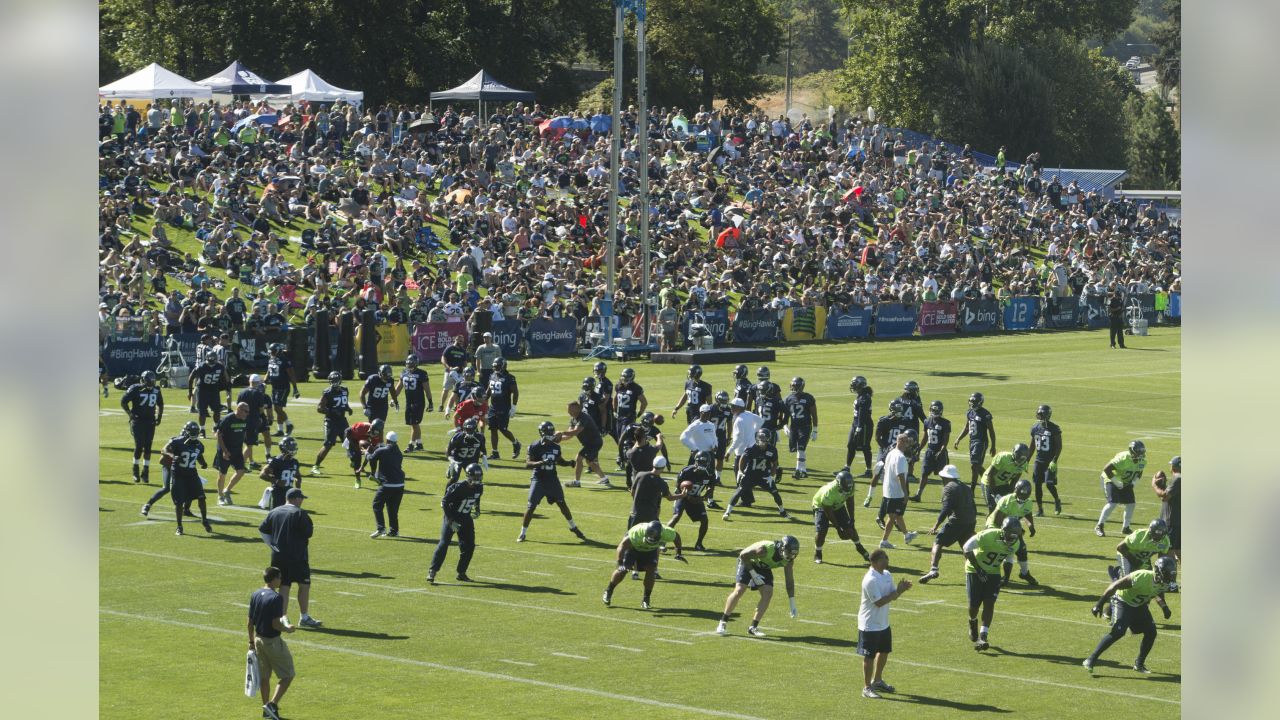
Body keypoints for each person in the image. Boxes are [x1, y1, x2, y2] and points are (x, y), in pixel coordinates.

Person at [1084, 556, 1176, 674]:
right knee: (1118, 632)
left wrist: (1164, 607)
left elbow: (1157, 591)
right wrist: (1099, 604)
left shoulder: (1164, 582)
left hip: (1139, 605)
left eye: (1171, 574)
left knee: (1151, 632)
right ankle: (1091, 659)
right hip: (1122, 601)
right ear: (1158, 572)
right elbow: (1115, 585)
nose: (1170, 577)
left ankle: (1139, 664)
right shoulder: (1141, 576)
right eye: (1167, 574)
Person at [257, 488, 321, 627]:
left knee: (284, 586)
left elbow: (262, 529)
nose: (302, 500)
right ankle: (304, 617)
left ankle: (283, 617)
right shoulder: (299, 513)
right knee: (304, 585)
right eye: (301, 498)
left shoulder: (274, 511)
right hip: (297, 556)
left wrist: (272, 545)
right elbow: (308, 533)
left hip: (278, 556)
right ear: (295, 498)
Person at [715, 535, 799, 637]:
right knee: (739, 590)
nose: (789, 556)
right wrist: (753, 574)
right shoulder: (765, 550)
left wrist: (792, 602)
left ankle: (753, 627)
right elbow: (743, 555)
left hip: (763, 566)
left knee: (768, 593)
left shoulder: (788, 560)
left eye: (792, 554)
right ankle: (723, 622)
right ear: (782, 548)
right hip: (747, 562)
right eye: (788, 553)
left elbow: (789, 581)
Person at [961, 517, 1023, 651]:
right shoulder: (988, 535)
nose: (1011, 539)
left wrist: (1006, 577)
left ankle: (983, 636)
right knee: (974, 605)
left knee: (989, 603)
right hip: (974, 570)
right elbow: (966, 547)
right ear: (1003, 530)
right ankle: (972, 621)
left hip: (994, 573)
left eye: (1014, 536)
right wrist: (978, 569)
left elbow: (1009, 559)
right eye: (1009, 535)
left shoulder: (1015, 543)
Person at [518, 422, 587, 542]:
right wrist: (541, 463)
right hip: (538, 478)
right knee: (531, 506)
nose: (550, 434)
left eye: (551, 432)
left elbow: (559, 460)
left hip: (552, 479)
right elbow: (527, 464)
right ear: (542, 433)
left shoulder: (556, 447)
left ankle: (573, 527)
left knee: (562, 503)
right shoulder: (534, 446)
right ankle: (522, 533)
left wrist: (569, 463)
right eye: (548, 432)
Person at [857, 548, 912, 699]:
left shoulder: (887, 575)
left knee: (884, 651)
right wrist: (898, 592)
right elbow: (880, 602)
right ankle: (867, 688)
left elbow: (892, 595)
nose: (887, 561)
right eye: (883, 559)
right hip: (869, 624)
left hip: (883, 623)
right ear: (874, 562)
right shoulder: (870, 579)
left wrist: (901, 590)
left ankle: (878, 680)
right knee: (869, 656)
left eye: (886, 558)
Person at [247, 566, 297, 720]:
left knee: (265, 677)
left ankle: (266, 710)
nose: (281, 580)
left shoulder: (255, 594)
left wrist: (251, 641)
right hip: (272, 642)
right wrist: (287, 629)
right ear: (274, 579)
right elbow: (275, 624)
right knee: (288, 675)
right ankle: (272, 704)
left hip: (258, 639)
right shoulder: (276, 598)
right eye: (279, 577)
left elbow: (250, 622)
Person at [603, 520, 686, 610]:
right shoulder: (636, 533)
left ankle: (646, 599)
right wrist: (620, 563)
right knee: (623, 570)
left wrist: (679, 553)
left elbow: (676, 537)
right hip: (633, 548)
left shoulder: (667, 532)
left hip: (651, 550)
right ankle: (609, 591)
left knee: (651, 570)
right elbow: (622, 546)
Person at [918, 465, 977, 584]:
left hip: (957, 521)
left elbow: (946, 508)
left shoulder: (949, 488)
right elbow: (974, 507)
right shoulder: (966, 487)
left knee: (938, 542)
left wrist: (936, 524)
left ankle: (933, 569)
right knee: (967, 548)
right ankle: (975, 572)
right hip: (970, 521)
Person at [428, 463, 485, 583]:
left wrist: (477, 509)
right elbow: (444, 502)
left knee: (469, 546)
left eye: (479, 478)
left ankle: (461, 572)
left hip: (466, 518)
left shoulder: (479, 487)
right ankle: (432, 572)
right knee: (444, 544)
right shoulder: (458, 487)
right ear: (468, 476)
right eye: (474, 478)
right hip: (452, 517)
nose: (477, 480)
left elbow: (477, 497)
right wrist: (450, 521)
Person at [159, 421, 212, 535]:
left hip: (192, 474)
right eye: (192, 432)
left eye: (195, 432)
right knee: (179, 502)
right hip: (178, 474)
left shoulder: (199, 445)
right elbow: (164, 450)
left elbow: (199, 455)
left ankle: (204, 519)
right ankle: (179, 526)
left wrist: (203, 463)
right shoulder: (177, 441)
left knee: (201, 497)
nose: (194, 434)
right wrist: (173, 456)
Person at [985, 479, 1038, 585]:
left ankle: (1024, 573)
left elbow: (1026, 513)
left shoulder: (1028, 502)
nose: (1023, 497)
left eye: (1025, 495)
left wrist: (1030, 525)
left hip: (1011, 526)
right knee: (1005, 549)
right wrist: (1012, 533)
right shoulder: (1006, 500)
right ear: (1016, 491)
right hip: (995, 526)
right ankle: (998, 576)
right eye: (1021, 494)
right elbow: (998, 520)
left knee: (1021, 549)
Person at [812, 469, 871, 564]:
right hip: (821, 506)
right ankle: (818, 552)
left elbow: (850, 501)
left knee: (850, 527)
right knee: (822, 531)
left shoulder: (851, 485)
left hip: (838, 504)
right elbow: (828, 511)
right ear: (839, 484)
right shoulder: (830, 491)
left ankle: (860, 548)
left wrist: (852, 518)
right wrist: (838, 528)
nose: (846, 491)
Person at [864, 399, 912, 509]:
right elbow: (877, 437)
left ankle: (905, 497)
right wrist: (887, 448)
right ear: (891, 409)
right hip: (885, 450)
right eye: (897, 409)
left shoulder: (905, 421)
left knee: (903, 474)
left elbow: (908, 437)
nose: (899, 411)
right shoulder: (884, 421)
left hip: (899, 451)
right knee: (877, 472)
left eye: (900, 409)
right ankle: (869, 496)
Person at [1096, 440, 1147, 537]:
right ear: (1132, 451)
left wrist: (1134, 481)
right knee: (1113, 503)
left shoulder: (1143, 461)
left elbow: (1139, 472)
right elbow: (1107, 469)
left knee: (1131, 504)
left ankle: (1126, 527)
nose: (1140, 456)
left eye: (1142, 453)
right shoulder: (1123, 458)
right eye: (1138, 453)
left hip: (1125, 481)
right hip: (1110, 478)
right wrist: (1115, 481)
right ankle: (1099, 526)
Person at [121, 370, 163, 483]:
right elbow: (123, 401)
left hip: (150, 421)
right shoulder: (136, 389)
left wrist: (159, 417)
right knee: (139, 446)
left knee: (148, 447)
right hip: (138, 421)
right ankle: (135, 470)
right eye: (150, 381)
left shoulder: (156, 390)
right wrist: (130, 414)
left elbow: (160, 403)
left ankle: (145, 472)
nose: (151, 384)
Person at [877, 431, 919, 548]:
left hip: (889, 490)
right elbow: (900, 476)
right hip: (896, 492)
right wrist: (905, 493)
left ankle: (906, 535)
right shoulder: (900, 457)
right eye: (906, 442)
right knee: (892, 517)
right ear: (900, 441)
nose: (907, 445)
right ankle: (884, 541)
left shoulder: (891, 453)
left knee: (898, 515)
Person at [669, 451, 716, 550]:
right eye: (700, 462)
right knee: (676, 516)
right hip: (682, 496)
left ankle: (699, 544)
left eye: (704, 462)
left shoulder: (710, 473)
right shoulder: (686, 471)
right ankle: (661, 541)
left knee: (704, 520)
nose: (702, 464)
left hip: (696, 497)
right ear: (696, 461)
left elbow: (710, 487)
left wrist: (703, 497)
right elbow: (678, 487)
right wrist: (688, 496)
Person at [311, 371, 352, 476]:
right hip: (331, 422)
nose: (335, 383)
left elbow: (344, 403)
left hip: (342, 421)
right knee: (328, 444)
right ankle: (316, 466)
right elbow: (319, 408)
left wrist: (348, 408)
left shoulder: (345, 390)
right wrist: (331, 411)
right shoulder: (327, 392)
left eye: (336, 380)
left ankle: (354, 463)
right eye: (333, 381)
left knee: (350, 442)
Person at [366, 431, 406, 538]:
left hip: (388, 485)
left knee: (377, 505)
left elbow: (371, 458)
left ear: (387, 440)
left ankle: (381, 528)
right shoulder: (398, 452)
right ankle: (394, 531)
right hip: (400, 485)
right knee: (392, 509)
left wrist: (366, 453)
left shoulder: (382, 450)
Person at [952, 392, 996, 490]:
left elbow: (991, 431)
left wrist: (993, 446)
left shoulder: (985, 414)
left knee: (975, 465)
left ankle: (977, 487)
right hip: (972, 441)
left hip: (981, 442)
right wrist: (958, 438)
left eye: (974, 401)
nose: (972, 403)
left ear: (980, 402)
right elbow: (967, 427)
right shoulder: (969, 412)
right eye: (971, 401)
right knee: (976, 466)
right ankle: (988, 482)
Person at [559, 400, 609, 487]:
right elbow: (569, 435)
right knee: (590, 462)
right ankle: (604, 479)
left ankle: (576, 482)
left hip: (594, 443)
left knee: (579, 458)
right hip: (590, 443)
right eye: (568, 410)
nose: (569, 412)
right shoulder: (573, 419)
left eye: (570, 410)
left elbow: (575, 432)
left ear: (577, 409)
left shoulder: (583, 417)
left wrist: (561, 433)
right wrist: (558, 439)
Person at [910, 400, 950, 502]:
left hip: (940, 452)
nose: (933, 411)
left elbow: (945, 441)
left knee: (944, 475)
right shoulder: (927, 421)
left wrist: (941, 451)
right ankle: (918, 494)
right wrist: (918, 449)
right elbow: (925, 438)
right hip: (930, 451)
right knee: (924, 474)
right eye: (932, 409)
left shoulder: (945, 423)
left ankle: (945, 496)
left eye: (935, 410)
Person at [1029, 404, 1064, 516]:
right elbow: (1032, 445)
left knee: (1049, 484)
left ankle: (1057, 500)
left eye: (1041, 414)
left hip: (1049, 461)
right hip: (1039, 461)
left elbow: (1059, 446)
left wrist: (1054, 460)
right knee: (1037, 485)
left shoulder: (1054, 428)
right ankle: (1040, 510)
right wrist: (1027, 460)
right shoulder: (1035, 428)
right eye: (1039, 414)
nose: (1039, 416)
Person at [727, 397, 763, 505]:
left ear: (738, 407)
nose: (731, 408)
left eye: (733, 407)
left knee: (740, 476)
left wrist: (729, 451)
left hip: (742, 452)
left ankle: (746, 500)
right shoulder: (748, 414)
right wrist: (753, 431)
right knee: (745, 476)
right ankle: (748, 499)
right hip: (750, 449)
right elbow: (760, 421)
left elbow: (738, 439)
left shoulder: (739, 420)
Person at [781, 377, 818, 479]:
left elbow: (814, 415)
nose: (793, 388)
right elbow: (785, 415)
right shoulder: (789, 399)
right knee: (795, 449)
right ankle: (804, 470)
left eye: (795, 386)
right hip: (794, 427)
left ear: (801, 387)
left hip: (805, 426)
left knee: (801, 448)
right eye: (792, 386)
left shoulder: (808, 398)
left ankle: (798, 470)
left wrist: (815, 430)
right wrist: (784, 426)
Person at [214, 402, 251, 506]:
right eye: (246, 411)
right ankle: (220, 496)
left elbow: (243, 432)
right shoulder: (228, 419)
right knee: (222, 474)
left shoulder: (245, 420)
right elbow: (218, 435)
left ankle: (227, 490)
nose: (247, 414)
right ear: (239, 409)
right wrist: (225, 451)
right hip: (225, 451)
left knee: (241, 471)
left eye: (248, 411)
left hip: (237, 450)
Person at [396, 354, 433, 452]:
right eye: (408, 362)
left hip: (418, 402)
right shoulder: (403, 372)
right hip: (409, 402)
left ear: (416, 363)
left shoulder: (422, 373)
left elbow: (427, 389)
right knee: (413, 424)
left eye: (411, 363)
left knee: (414, 423)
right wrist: (393, 399)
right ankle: (419, 443)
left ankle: (411, 445)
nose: (409, 364)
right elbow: (399, 387)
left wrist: (430, 402)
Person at [486, 357, 521, 459]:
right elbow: (489, 391)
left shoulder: (510, 378)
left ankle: (515, 443)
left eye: (497, 366)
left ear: (503, 366)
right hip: (493, 407)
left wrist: (513, 407)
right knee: (493, 429)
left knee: (503, 429)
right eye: (495, 366)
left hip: (504, 407)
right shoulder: (492, 375)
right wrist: (483, 401)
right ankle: (495, 452)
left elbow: (515, 392)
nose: (495, 368)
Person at [979, 443, 1031, 513]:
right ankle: (989, 523)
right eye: (1019, 456)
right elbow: (990, 475)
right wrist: (995, 494)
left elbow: (1014, 482)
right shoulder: (1003, 457)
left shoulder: (1024, 465)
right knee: (993, 508)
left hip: (1003, 484)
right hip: (988, 482)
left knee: (1008, 508)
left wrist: (1011, 495)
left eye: (1023, 458)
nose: (1020, 460)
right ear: (1014, 453)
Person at [237, 374, 273, 469]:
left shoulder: (242, 392)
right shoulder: (257, 393)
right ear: (257, 383)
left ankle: (251, 462)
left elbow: (238, 407)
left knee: (248, 443)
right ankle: (241, 465)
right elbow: (261, 410)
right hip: (253, 421)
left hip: (243, 420)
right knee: (250, 444)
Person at [613, 367, 647, 466]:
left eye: (626, 377)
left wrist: (639, 413)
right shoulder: (619, 386)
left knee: (624, 439)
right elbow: (615, 399)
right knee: (620, 437)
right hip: (619, 417)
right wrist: (614, 410)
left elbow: (644, 402)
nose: (624, 379)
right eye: (623, 376)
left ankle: (624, 458)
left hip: (629, 417)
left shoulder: (636, 388)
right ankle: (625, 456)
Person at [265, 343, 299, 437]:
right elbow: (269, 371)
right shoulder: (271, 359)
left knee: (277, 408)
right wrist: (264, 381)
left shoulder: (285, 360)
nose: (271, 353)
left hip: (283, 387)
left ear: (278, 351)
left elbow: (292, 375)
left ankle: (289, 424)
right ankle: (280, 430)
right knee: (277, 409)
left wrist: (295, 388)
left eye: (273, 351)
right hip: (274, 387)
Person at [188, 356, 228, 436]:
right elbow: (191, 377)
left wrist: (225, 386)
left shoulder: (220, 366)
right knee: (202, 411)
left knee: (217, 410)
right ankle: (202, 430)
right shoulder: (201, 366)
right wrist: (190, 392)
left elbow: (225, 378)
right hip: (203, 391)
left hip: (214, 390)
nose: (211, 365)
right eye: (210, 362)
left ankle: (216, 427)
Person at [1150, 456, 1181, 562]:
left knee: (1167, 553)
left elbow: (1165, 496)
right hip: (1180, 521)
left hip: (1171, 522)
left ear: (1173, 466)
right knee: (1178, 551)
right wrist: (1163, 486)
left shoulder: (1177, 478)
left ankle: (1168, 577)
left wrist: (1154, 485)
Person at [259, 436, 301, 510]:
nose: (293, 448)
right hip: (277, 493)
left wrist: (297, 490)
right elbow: (262, 475)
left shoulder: (295, 462)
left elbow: (298, 476)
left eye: (293, 446)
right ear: (283, 447)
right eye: (291, 446)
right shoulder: (276, 460)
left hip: (289, 494)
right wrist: (276, 481)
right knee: (275, 515)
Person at [845, 375, 874, 476]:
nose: (853, 386)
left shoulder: (865, 397)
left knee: (865, 447)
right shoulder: (861, 395)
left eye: (854, 384)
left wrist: (859, 427)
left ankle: (869, 470)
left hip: (864, 424)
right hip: (856, 423)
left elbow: (863, 413)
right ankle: (847, 468)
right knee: (851, 445)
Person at [344, 418, 384, 489]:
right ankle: (358, 479)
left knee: (373, 455)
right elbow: (347, 431)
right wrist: (354, 445)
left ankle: (373, 474)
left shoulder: (377, 435)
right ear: (371, 427)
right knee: (357, 459)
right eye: (373, 432)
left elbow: (371, 450)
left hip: (363, 441)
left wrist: (363, 466)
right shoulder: (361, 427)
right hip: (353, 439)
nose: (374, 434)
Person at [445, 417, 487, 484]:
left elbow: (483, 450)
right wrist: (452, 460)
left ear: (475, 429)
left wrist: (484, 457)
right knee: (454, 479)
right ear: (464, 429)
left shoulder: (480, 437)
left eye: (471, 429)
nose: (469, 432)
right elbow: (448, 450)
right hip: (458, 459)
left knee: (476, 479)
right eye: (467, 429)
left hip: (471, 460)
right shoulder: (458, 437)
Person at [440, 335, 470, 410]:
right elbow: (443, 358)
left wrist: (464, 371)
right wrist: (448, 367)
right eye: (460, 341)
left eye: (462, 341)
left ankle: (456, 406)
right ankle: (441, 405)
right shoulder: (450, 348)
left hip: (459, 373)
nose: (461, 342)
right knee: (446, 389)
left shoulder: (463, 350)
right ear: (455, 339)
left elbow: (465, 362)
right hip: (450, 372)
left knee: (458, 390)